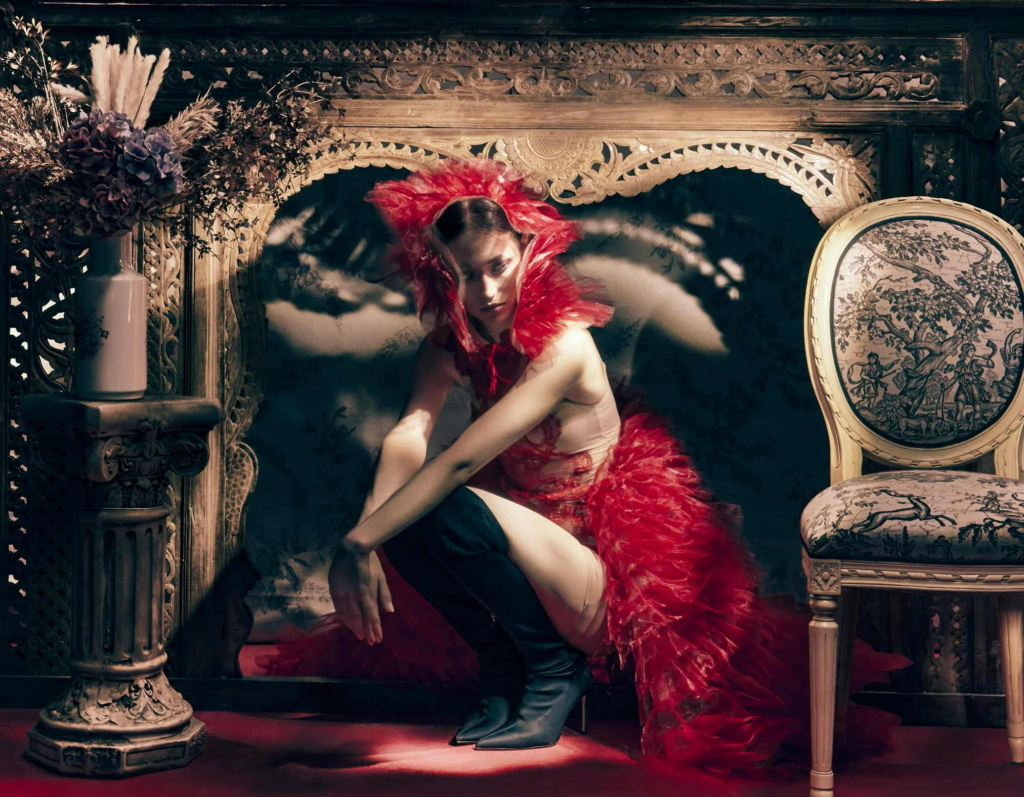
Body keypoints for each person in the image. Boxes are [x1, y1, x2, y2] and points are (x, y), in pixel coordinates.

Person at [260, 158, 908, 776]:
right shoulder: (455, 343)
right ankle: (501, 669)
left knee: (436, 501)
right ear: (444, 273)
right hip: (521, 551)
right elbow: (411, 431)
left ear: (529, 251)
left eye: (498, 266)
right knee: (404, 503)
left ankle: (552, 670)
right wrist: (369, 533)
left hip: (596, 571)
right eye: (465, 274)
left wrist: (359, 539)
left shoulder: (564, 344)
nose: (485, 291)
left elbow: (460, 459)